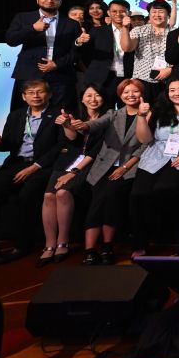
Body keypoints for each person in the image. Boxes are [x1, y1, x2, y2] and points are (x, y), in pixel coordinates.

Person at [0, 80, 60, 269]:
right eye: (30, 92)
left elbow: (60, 146)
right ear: (24, 97)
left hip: (42, 166)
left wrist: (35, 167)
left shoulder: (57, 115)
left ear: (49, 95)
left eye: (40, 92)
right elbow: (9, 143)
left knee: (26, 197)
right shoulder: (16, 115)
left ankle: (22, 246)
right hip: (16, 163)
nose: (35, 96)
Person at [128, 80, 179, 257]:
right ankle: (139, 243)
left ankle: (177, 241)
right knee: (138, 194)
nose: (176, 93)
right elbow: (145, 140)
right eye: (172, 90)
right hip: (154, 157)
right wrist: (141, 116)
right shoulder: (158, 110)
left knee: (165, 189)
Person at [78, 78, 146, 265]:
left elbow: (145, 146)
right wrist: (82, 125)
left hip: (129, 168)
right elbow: (95, 124)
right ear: (120, 95)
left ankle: (106, 246)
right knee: (99, 201)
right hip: (103, 168)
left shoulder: (148, 114)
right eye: (126, 92)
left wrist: (125, 167)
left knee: (109, 199)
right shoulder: (113, 114)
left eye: (135, 91)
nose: (130, 95)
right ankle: (91, 249)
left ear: (142, 94)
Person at [40, 84, 108, 266]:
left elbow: (97, 150)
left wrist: (73, 172)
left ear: (103, 98)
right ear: (82, 98)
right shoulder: (74, 116)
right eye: (89, 95)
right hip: (67, 161)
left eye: (97, 95)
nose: (93, 99)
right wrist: (67, 126)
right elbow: (72, 141)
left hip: (89, 164)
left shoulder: (108, 118)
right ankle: (49, 244)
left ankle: (63, 241)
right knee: (48, 196)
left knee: (62, 193)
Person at [6, 0, 80, 112]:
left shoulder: (71, 24)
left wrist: (57, 64)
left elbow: (77, 51)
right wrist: (33, 28)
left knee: (60, 114)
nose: (49, 1)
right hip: (29, 73)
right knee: (24, 112)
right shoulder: (23, 18)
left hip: (61, 75)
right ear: (37, 0)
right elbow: (11, 40)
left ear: (60, 1)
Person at [120, 0, 173, 101]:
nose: (157, 15)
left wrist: (170, 70)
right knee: (143, 109)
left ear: (168, 15)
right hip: (142, 80)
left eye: (161, 11)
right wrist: (125, 28)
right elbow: (127, 48)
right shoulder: (139, 30)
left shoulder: (175, 32)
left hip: (167, 81)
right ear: (149, 15)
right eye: (154, 12)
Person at [82, 0, 133, 106]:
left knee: (126, 110)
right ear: (108, 13)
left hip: (127, 77)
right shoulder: (97, 31)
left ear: (129, 13)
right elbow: (83, 53)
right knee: (103, 110)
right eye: (114, 11)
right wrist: (79, 42)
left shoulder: (135, 32)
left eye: (122, 11)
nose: (118, 14)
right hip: (101, 77)